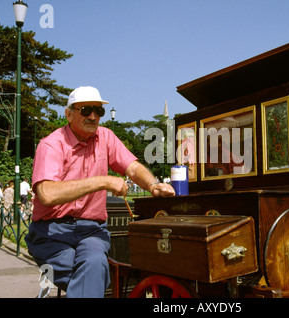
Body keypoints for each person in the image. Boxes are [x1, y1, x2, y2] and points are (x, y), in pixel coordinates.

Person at [24, 86, 175, 298]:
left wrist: (152, 185)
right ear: (68, 114)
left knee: (94, 266)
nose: (93, 116)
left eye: (99, 111)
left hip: (91, 231)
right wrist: (102, 181)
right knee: (94, 273)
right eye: (86, 110)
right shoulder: (51, 145)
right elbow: (47, 194)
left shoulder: (106, 137)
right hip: (51, 232)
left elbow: (132, 167)